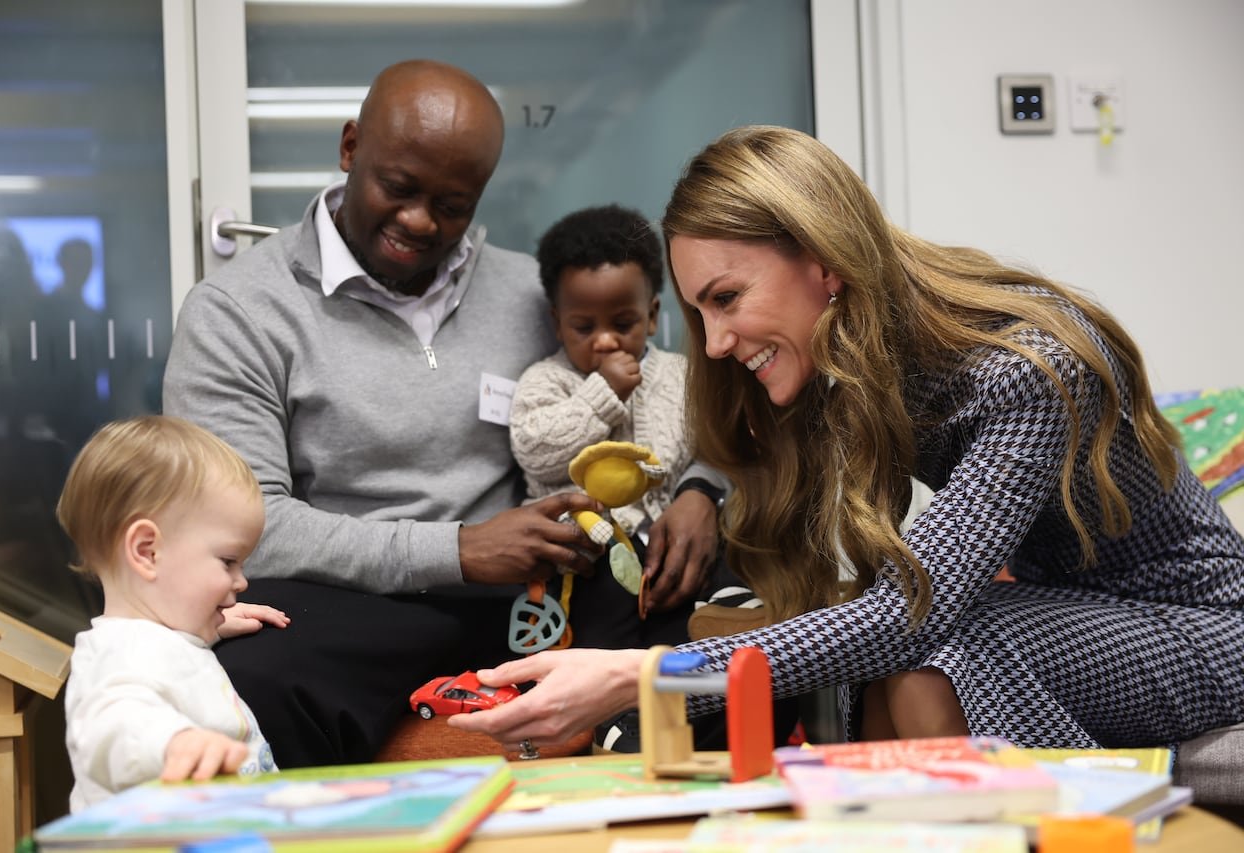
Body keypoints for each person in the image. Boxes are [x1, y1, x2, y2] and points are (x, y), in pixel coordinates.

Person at [450, 125, 1244, 755]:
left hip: (1204, 628)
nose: (717, 342)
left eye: (727, 298)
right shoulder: (854, 362)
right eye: (700, 314)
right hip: (1071, 608)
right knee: (911, 647)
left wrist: (646, 674)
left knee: (943, 642)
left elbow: (909, 611)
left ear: (824, 261)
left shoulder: (1029, 368)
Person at [162, 60, 716, 767]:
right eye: (398, 188)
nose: (420, 221)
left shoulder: (537, 295)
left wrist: (703, 487)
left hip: (535, 589)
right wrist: (459, 549)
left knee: (710, 644)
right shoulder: (240, 311)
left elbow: (675, 397)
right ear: (350, 148)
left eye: (453, 204)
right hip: (352, 599)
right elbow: (245, 529)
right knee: (252, 676)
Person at [511, 204, 740, 651]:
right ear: (558, 323)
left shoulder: (683, 375)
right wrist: (603, 394)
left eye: (623, 323)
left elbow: (720, 448)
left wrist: (701, 497)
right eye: (583, 326)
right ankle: (618, 717)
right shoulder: (545, 380)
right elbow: (535, 449)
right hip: (589, 554)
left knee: (710, 595)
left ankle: (730, 623)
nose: (605, 340)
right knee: (603, 637)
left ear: (652, 315)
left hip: (672, 543)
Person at [57, 415, 289, 811]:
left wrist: (210, 628)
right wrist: (173, 741)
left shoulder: (157, 637)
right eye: (228, 561)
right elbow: (113, 725)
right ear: (147, 551)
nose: (241, 581)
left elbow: (168, 663)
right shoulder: (120, 654)